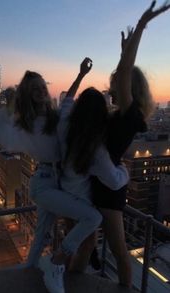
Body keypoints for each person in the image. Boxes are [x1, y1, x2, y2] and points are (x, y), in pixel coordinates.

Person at [0, 63, 129, 293]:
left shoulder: (60, 119)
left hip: (54, 181)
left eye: (42, 86)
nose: (41, 91)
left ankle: (30, 271)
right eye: (34, 89)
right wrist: (10, 105)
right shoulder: (32, 123)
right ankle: (55, 266)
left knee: (41, 236)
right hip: (45, 182)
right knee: (92, 219)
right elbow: (2, 136)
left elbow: (68, 99)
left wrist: (81, 75)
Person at [68, 1, 170, 288]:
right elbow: (124, 72)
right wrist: (123, 52)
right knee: (87, 244)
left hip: (109, 192)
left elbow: (126, 72)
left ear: (129, 90)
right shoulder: (123, 115)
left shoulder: (130, 115)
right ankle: (71, 282)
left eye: (115, 84)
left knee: (118, 250)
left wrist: (141, 26)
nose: (111, 88)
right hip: (101, 184)